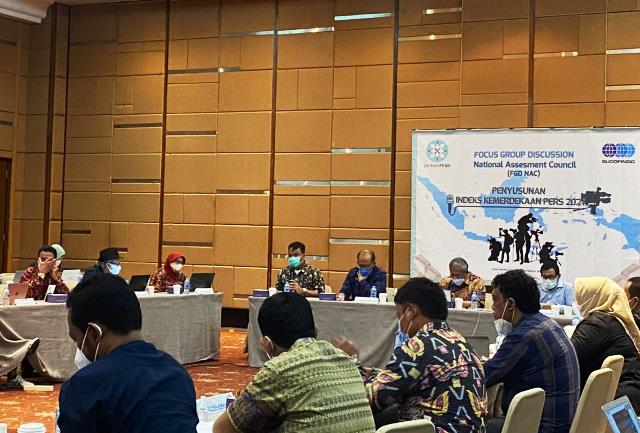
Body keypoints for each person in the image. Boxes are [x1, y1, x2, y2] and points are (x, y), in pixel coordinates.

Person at [336, 278, 487, 431]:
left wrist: (346, 362)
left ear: (410, 311)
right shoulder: (461, 342)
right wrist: (363, 371)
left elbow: (373, 398)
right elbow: (402, 375)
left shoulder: (418, 346)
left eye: (398, 315)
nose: (399, 323)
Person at [213, 292, 376, 433]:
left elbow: (221, 429)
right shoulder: (344, 358)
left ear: (267, 343)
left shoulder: (279, 369)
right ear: (315, 331)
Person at [58, 274, 198, 433]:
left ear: (94, 333)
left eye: (76, 339)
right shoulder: (177, 374)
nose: (78, 347)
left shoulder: (84, 387)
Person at [484, 270, 579, 433]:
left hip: (542, 426)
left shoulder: (524, 335)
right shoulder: (548, 323)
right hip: (561, 422)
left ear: (511, 304)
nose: (492, 307)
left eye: (495, 299)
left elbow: (485, 377)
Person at [570, 277, 640, 412]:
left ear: (594, 296)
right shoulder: (610, 321)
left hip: (618, 402)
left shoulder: (598, 324)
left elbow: (567, 358)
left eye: (581, 297)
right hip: (627, 396)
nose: (577, 303)